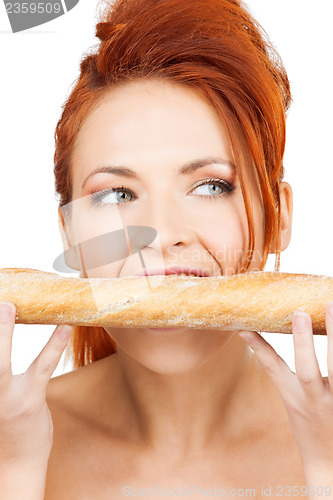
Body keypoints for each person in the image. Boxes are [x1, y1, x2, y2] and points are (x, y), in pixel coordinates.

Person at [1, 0, 333, 498]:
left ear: (278, 217)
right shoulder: (11, 440)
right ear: (70, 237)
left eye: (211, 186)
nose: (160, 233)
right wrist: (14, 471)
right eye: (117, 195)